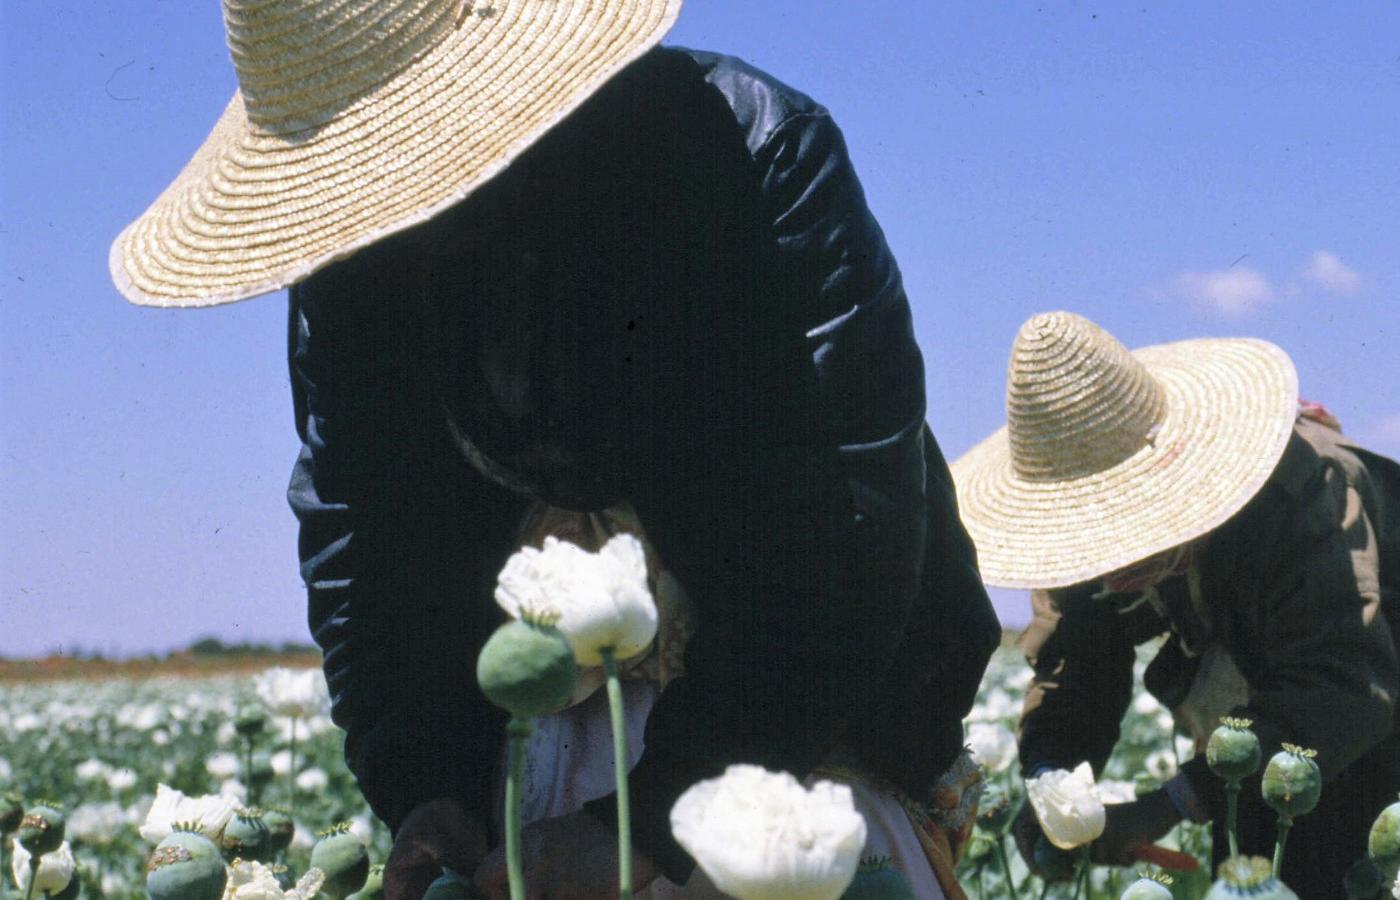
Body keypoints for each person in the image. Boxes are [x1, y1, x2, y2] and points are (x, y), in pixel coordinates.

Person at [110, 2, 999, 897]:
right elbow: (362, 536)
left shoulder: (749, 150)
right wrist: (424, 785)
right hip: (539, 737)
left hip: (800, 720)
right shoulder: (350, 260)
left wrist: (645, 821)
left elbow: (846, 530)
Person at [950, 311, 1400, 899]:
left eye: (1120, 529)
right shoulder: (1076, 534)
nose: (1110, 565)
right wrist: (1051, 790)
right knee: (1268, 861)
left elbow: (1342, 685)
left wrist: (1168, 803)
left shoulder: (1301, 488)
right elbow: (1073, 672)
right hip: (1270, 708)